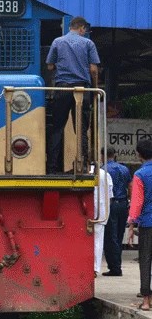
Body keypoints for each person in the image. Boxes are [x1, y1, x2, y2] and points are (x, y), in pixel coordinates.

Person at [45, 16, 100, 174]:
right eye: (85, 30)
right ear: (82, 28)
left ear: (71, 27)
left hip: (62, 88)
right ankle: (82, 165)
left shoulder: (57, 42)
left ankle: (52, 167)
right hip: (82, 90)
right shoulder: (88, 43)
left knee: (57, 127)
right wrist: (94, 89)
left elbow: (49, 66)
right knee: (81, 129)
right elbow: (94, 70)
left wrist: (61, 65)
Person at [127, 139, 152, 311]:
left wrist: (130, 225)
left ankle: (146, 301)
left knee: (145, 260)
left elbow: (137, 202)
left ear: (139, 154)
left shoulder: (140, 175)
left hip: (147, 224)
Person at [102, 146, 133, 276]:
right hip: (123, 204)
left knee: (110, 236)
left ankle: (115, 267)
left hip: (112, 204)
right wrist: (129, 201)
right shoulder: (124, 168)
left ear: (102, 155)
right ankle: (117, 264)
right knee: (119, 235)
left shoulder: (103, 170)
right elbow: (130, 186)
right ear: (114, 155)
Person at [94, 164, 113, 277]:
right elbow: (110, 195)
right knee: (98, 241)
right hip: (101, 212)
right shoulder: (105, 175)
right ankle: (95, 268)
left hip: (87, 209)